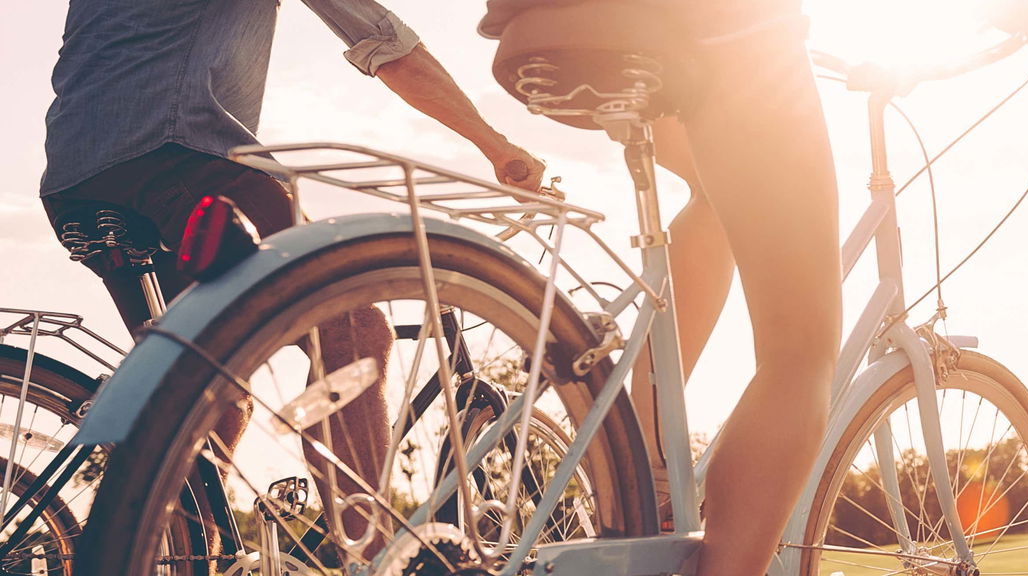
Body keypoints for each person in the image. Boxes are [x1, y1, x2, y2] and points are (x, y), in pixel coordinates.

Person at [40, 0, 547, 563]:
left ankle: (163, 557)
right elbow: (387, 43)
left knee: (208, 392)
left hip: (77, 178)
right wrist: (497, 148)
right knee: (350, 330)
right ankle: (374, 559)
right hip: (176, 154)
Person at [480, 1, 842, 573]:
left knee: (716, 192)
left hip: (542, 38)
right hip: (720, 31)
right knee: (800, 350)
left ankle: (642, 453)